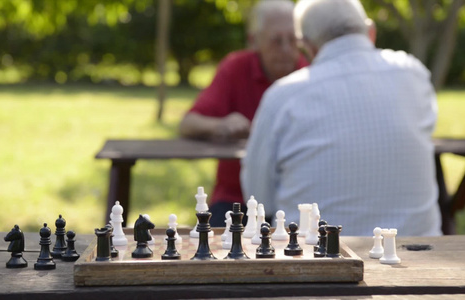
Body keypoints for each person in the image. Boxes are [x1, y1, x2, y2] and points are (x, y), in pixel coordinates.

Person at [241, 0, 442, 236]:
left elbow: (258, 198)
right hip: (419, 257)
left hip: (315, 263)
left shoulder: (283, 97)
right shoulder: (414, 74)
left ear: (307, 45)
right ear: (371, 32)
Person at [179, 0, 309, 226]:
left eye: (293, 40)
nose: (287, 50)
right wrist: (220, 124)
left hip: (292, 198)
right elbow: (187, 124)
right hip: (236, 199)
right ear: (253, 40)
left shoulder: (306, 72)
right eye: (276, 41)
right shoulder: (235, 68)